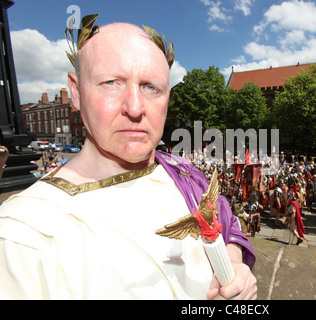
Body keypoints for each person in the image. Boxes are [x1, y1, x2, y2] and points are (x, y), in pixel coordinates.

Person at [0, 16, 256, 300]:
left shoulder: (181, 170)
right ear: (75, 91)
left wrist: (233, 263)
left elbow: (224, 217)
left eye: (150, 87)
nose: (135, 107)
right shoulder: (23, 234)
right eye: (111, 82)